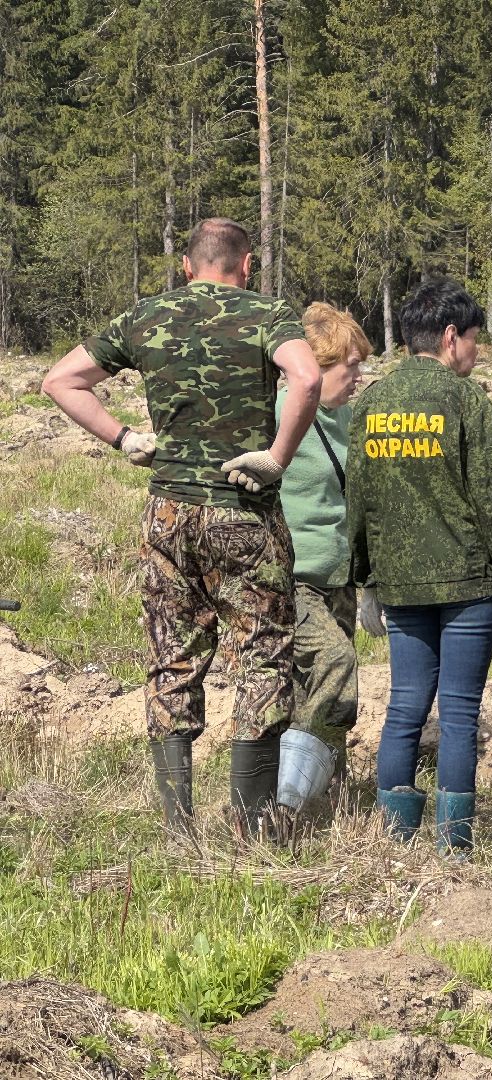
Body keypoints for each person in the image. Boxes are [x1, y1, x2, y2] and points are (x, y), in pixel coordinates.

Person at [41, 218, 322, 840]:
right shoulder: (267, 315)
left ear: (189, 267)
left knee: (174, 659)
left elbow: (59, 380)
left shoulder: (147, 316)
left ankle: (178, 829)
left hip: (168, 513)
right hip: (243, 510)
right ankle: (252, 826)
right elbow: (306, 378)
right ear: (245, 265)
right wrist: (277, 456)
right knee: (262, 657)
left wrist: (124, 437)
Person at [347, 277, 492, 855]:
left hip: (400, 584)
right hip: (469, 585)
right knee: (458, 712)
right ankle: (455, 846)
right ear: (450, 337)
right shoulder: (466, 401)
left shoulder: (371, 403)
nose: (476, 353)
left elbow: (359, 499)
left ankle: (395, 841)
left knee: (404, 705)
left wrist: (364, 580)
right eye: (474, 340)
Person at [275, 303, 370, 804]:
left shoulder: (348, 419)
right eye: (349, 366)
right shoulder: (279, 415)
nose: (358, 376)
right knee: (336, 663)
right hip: (294, 576)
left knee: (315, 692)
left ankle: (328, 796)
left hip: (340, 579)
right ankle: (290, 797)